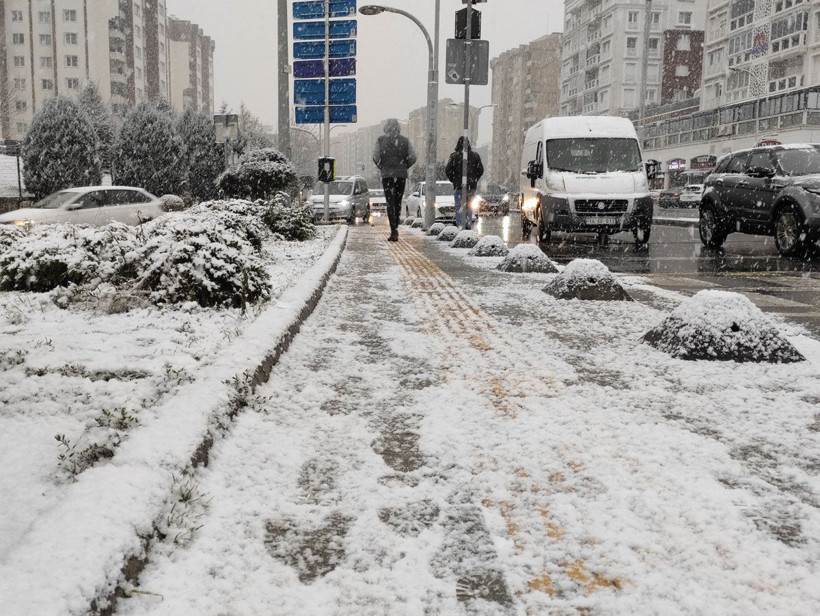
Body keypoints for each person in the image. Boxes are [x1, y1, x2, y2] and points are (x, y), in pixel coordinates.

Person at [373, 119, 417, 242]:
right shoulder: (405, 140)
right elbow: (413, 156)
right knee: (397, 202)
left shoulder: (380, 140)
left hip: (387, 175)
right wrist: (404, 166)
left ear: (386, 128)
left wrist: (382, 166)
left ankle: (393, 230)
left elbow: (375, 156)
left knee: (390, 202)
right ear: (398, 128)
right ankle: (395, 227)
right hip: (401, 175)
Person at [445, 136, 484, 229]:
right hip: (471, 187)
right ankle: (468, 225)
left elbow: (448, 170)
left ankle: (460, 226)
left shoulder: (454, 156)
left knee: (459, 207)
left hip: (459, 187)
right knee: (469, 207)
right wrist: (474, 179)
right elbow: (480, 170)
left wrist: (454, 179)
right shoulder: (475, 156)